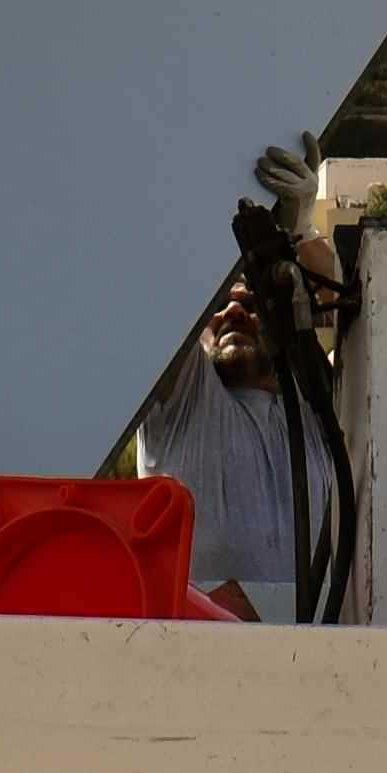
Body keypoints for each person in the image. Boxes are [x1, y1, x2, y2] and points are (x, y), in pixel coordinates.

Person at [130, 226, 350, 617]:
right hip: (196, 653)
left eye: (251, 304)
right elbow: (154, 283)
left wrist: (297, 228)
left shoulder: (316, 413)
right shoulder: (187, 400)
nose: (233, 312)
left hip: (311, 653)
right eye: (218, 306)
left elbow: (350, 298)